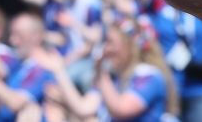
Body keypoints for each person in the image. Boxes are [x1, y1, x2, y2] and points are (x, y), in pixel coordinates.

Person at [36, 19, 174, 122]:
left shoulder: (148, 75)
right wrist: (59, 71)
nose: (106, 49)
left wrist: (101, 73)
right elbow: (84, 108)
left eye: (110, 42)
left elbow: (120, 110)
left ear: (130, 47)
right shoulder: (115, 77)